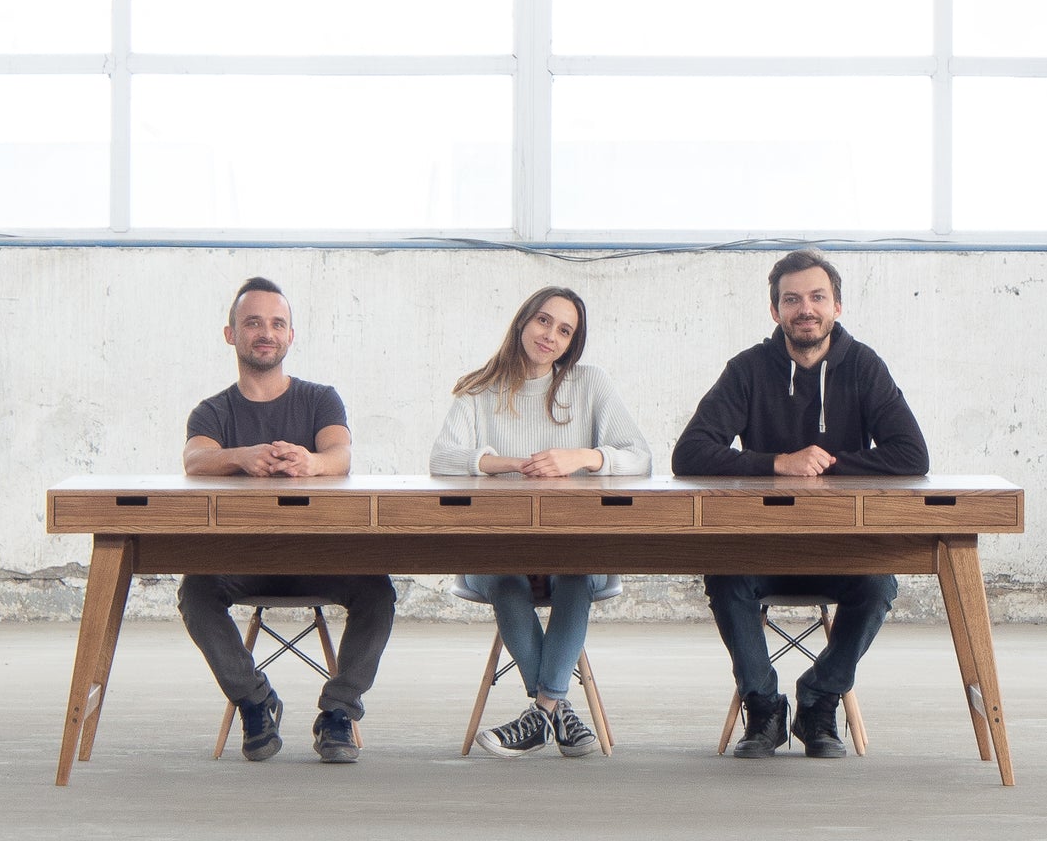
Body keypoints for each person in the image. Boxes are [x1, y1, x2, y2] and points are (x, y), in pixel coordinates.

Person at [671, 249, 928, 759]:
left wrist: (823, 465)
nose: (804, 308)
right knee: (723, 574)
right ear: (775, 312)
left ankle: (819, 699)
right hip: (761, 547)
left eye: (816, 297)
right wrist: (778, 463)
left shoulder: (863, 366)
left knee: (879, 583)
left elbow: (911, 454)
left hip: (839, 548)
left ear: (837, 306)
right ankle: (764, 707)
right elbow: (689, 453)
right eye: (792, 300)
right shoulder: (747, 369)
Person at [177, 277, 395, 765]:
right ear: (231, 334)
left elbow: (340, 454)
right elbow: (195, 460)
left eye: (277, 323)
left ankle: (339, 710)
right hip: (244, 558)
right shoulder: (212, 411)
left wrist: (311, 463)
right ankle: (255, 701)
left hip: (319, 554)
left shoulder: (320, 399)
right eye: (252, 322)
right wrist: (243, 457)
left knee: (377, 591)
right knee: (195, 590)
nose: (265, 332)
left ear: (291, 336)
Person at [430, 287, 652, 758]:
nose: (550, 336)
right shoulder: (479, 391)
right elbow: (442, 458)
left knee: (574, 570)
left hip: (572, 544)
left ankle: (542, 710)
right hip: (496, 545)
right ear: (523, 322)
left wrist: (583, 457)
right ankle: (557, 709)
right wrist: (510, 463)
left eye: (565, 330)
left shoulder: (590, 385)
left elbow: (640, 456)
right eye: (544, 321)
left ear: (573, 343)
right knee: (504, 576)